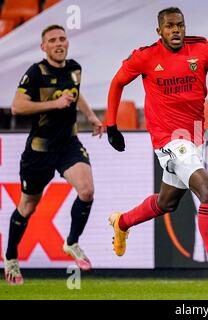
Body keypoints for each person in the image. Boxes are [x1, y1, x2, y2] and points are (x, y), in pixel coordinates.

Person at [106, 7, 208, 292]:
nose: (176, 30)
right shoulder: (145, 57)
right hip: (168, 141)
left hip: (193, 138)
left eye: (180, 25)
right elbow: (117, 83)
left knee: (167, 202)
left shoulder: (202, 50)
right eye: (169, 27)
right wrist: (111, 125)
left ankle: (123, 222)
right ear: (159, 31)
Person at [4, 25, 103, 285]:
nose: (59, 43)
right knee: (27, 206)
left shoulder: (75, 68)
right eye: (52, 40)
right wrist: (54, 104)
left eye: (62, 39)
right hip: (39, 150)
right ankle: (11, 258)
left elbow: (75, 94)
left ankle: (71, 243)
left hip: (68, 145)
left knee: (87, 190)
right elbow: (17, 107)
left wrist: (92, 117)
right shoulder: (36, 73)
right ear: (43, 47)